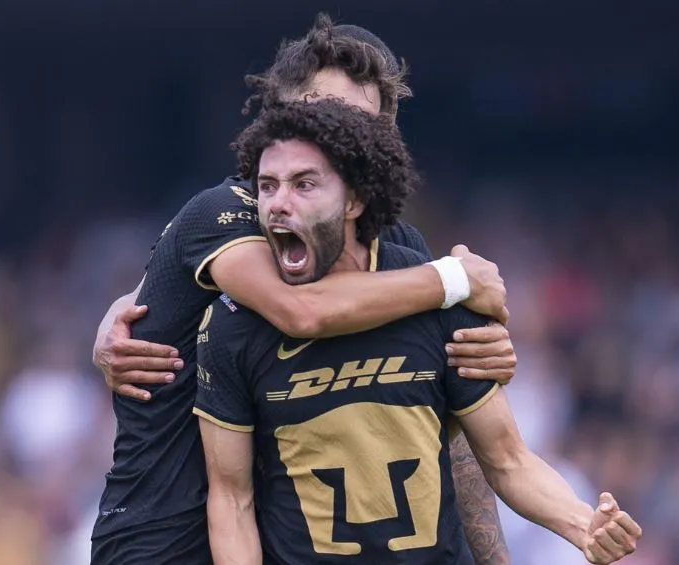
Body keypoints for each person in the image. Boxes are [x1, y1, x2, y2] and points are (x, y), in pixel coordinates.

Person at [90, 15, 516, 565]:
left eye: (355, 122)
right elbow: (301, 311)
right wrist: (457, 281)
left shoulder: (399, 250)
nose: (334, 136)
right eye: (316, 115)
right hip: (160, 538)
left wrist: (481, 343)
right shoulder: (225, 213)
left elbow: (449, 432)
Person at [196, 99, 643, 565]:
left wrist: (581, 524)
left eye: (304, 184)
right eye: (267, 187)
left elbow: (509, 461)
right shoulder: (234, 324)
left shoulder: (437, 300)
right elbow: (231, 500)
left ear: (354, 199)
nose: (279, 204)